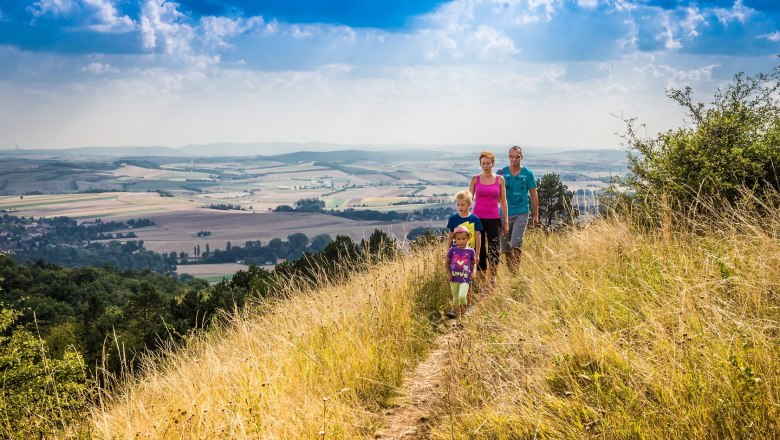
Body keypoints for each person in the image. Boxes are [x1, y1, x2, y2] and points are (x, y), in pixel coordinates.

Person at [469, 151, 508, 293]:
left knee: (494, 250)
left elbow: (503, 202)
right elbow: (468, 200)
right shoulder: (475, 179)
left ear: (493, 163)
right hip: (477, 219)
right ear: (480, 164)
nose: (486, 165)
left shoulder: (500, 179)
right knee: (479, 250)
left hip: (494, 219)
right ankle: (482, 282)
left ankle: (493, 280)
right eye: (483, 163)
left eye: (488, 163)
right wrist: (465, 218)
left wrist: (506, 222)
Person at [497, 145, 539, 269]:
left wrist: (535, 215)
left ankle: (516, 270)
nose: (514, 159)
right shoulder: (501, 173)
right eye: (512, 157)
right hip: (504, 213)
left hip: (521, 211)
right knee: (505, 248)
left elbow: (533, 194)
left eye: (517, 157)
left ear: (522, 157)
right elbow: (493, 190)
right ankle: (512, 272)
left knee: (516, 243)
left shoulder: (528, 174)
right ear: (508, 157)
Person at [445, 225, 476, 319]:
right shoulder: (452, 250)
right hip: (453, 278)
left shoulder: (471, 251)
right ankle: (458, 315)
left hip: (465, 278)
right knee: (455, 297)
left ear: (468, 238)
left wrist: (474, 272)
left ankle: (466, 309)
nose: (461, 241)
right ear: (455, 239)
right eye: (458, 239)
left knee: (462, 296)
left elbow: (474, 263)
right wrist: (448, 274)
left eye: (463, 238)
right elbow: (446, 263)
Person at [445, 190, 482, 260]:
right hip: (456, 253)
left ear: (469, 204)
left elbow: (478, 238)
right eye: (458, 205)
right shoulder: (453, 219)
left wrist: (477, 254)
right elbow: (450, 236)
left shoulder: (475, 219)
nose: (460, 207)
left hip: (471, 252)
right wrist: (448, 251)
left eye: (462, 205)